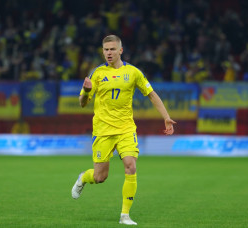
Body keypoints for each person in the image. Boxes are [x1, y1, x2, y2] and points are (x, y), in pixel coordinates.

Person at [71, 35, 176, 225]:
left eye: (112, 49)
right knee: (100, 176)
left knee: (131, 165)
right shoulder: (97, 74)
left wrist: (166, 117)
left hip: (126, 128)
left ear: (121, 50)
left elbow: (152, 95)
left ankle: (125, 215)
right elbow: (83, 104)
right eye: (106, 50)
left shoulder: (133, 72)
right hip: (103, 130)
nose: (109, 53)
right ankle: (83, 178)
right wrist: (86, 91)